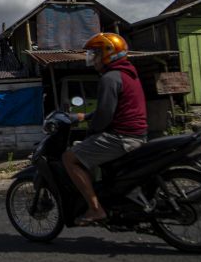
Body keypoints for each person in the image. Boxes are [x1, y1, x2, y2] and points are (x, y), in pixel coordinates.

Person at [62, 32, 148, 226]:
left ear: (109, 53)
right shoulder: (128, 73)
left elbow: (105, 116)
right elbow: (110, 108)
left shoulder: (110, 78)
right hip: (136, 134)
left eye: (96, 53)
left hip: (122, 137)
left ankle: (95, 209)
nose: (93, 58)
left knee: (69, 157)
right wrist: (85, 116)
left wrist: (89, 132)